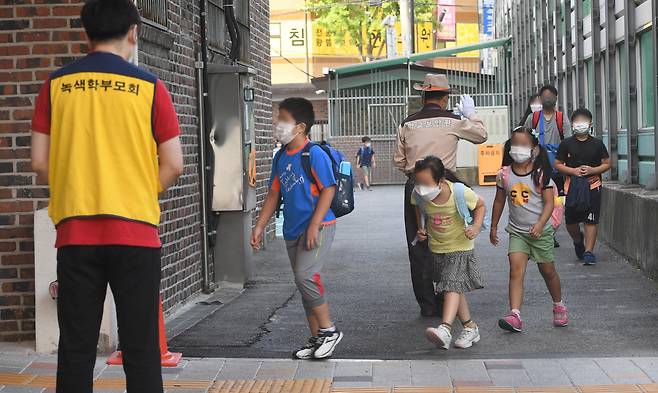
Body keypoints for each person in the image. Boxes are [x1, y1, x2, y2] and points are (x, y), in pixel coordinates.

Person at [30, 1, 184, 391]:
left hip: (76, 235)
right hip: (136, 235)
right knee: (142, 348)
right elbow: (174, 164)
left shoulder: (56, 86)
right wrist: (135, 189)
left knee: (76, 348)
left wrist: (75, 185)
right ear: (134, 32)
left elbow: (39, 162)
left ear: (86, 35)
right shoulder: (151, 87)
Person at [251, 98, 343, 360]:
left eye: (282, 119)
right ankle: (316, 339)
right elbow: (273, 194)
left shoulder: (313, 154)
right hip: (293, 229)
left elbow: (329, 189)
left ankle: (329, 331)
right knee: (303, 285)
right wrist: (259, 226)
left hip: (320, 225)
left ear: (300, 127)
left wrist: (314, 225)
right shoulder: (281, 156)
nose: (276, 124)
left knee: (306, 277)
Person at [394, 74, 487, 317]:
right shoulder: (453, 120)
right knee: (451, 243)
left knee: (419, 243)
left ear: (423, 96)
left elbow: (399, 161)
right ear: (445, 98)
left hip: (417, 186)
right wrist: (470, 115)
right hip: (448, 186)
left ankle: (427, 305)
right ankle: (450, 300)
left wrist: (415, 173)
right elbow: (481, 135)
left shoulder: (407, 123)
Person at [490, 127, 568, 333]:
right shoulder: (504, 175)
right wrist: (494, 226)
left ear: (534, 149)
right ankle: (515, 314)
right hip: (517, 232)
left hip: (541, 232)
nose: (519, 149)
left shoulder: (541, 174)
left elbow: (549, 203)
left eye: (524, 145)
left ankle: (558, 304)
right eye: (515, 144)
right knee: (515, 271)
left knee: (548, 271)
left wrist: (541, 224)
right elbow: (499, 202)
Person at [411, 157, 485, 350]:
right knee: (453, 288)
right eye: (418, 183)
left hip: (460, 247)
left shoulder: (459, 192)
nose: (421, 188)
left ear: (441, 180)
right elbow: (419, 208)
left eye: (426, 184)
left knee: (451, 285)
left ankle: (445, 329)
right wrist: (421, 229)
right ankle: (470, 327)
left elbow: (480, 205)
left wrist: (476, 227)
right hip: (438, 248)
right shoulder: (419, 194)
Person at [555, 108, 611, 265]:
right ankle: (578, 241)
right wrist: (572, 171)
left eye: (584, 121)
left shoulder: (597, 144)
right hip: (572, 186)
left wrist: (593, 170)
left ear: (590, 124)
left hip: (593, 185)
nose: (580, 125)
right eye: (577, 122)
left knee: (591, 220)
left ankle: (589, 251)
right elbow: (558, 164)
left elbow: (607, 163)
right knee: (571, 221)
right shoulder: (566, 144)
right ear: (572, 124)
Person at [524, 85, 572, 193]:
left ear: (556, 98)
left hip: (558, 169)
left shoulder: (561, 118)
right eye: (545, 96)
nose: (547, 98)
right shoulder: (532, 118)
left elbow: (568, 142)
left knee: (558, 199)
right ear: (540, 98)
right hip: (536, 167)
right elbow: (525, 139)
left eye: (550, 96)